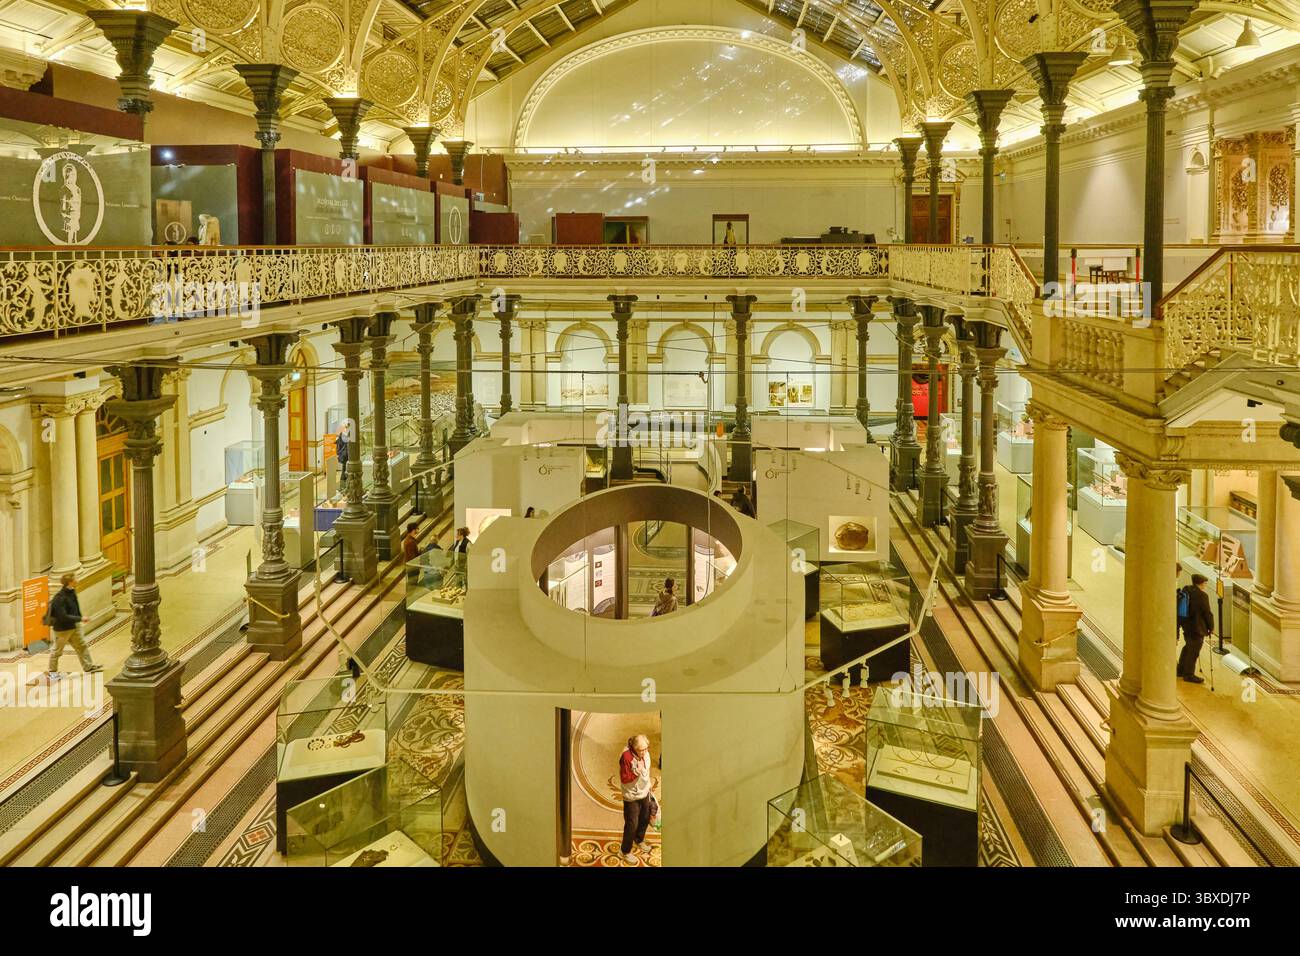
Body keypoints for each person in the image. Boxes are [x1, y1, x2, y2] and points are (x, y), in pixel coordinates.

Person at [47, 573, 102, 676]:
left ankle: (88, 667)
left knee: (81, 646)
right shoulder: (60, 598)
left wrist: (78, 620)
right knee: (57, 651)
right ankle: (52, 671)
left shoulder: (72, 591)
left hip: (73, 626)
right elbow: (63, 616)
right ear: (70, 582)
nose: (77, 579)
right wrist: (80, 618)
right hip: (62, 630)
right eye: (75, 578)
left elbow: (74, 608)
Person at [619, 734, 654, 863]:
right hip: (631, 796)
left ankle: (639, 839)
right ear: (634, 748)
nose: (644, 752)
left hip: (644, 793)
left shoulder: (646, 754)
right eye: (641, 750)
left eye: (646, 748)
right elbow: (624, 778)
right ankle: (625, 851)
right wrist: (636, 772)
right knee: (631, 824)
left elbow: (647, 772)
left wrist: (649, 785)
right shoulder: (626, 757)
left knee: (645, 818)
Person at [1177, 573, 1215, 684]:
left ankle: (1180, 669)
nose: (1205, 586)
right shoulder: (1203, 596)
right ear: (1201, 584)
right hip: (1197, 627)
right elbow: (1207, 613)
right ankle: (1189, 674)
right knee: (1193, 651)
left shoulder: (1186, 589)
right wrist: (1211, 627)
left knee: (1188, 646)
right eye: (1205, 584)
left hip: (1186, 624)